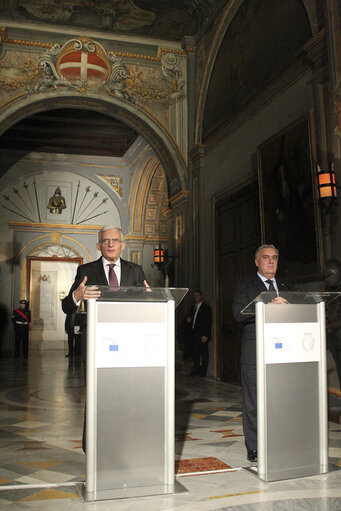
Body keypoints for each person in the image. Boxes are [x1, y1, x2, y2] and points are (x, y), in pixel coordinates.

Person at [61, 225, 149, 452]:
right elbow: (66, 307)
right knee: (97, 397)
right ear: (99, 245)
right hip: (97, 345)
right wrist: (76, 296)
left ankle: (123, 444)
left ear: (122, 245)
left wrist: (151, 299)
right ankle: (92, 447)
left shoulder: (136, 271)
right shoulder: (86, 270)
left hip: (129, 345)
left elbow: (145, 305)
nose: (111, 244)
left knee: (126, 396)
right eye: (106, 241)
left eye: (115, 240)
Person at [232, 244, 291, 463]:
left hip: (283, 350)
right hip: (254, 350)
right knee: (253, 401)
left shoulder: (287, 285)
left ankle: (280, 440)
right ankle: (254, 447)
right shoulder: (245, 286)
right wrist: (266, 305)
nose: (271, 262)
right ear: (257, 262)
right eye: (266, 258)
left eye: (275, 258)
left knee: (280, 397)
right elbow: (238, 313)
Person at [185, 290, 212, 377]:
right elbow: (191, 318)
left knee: (204, 354)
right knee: (195, 353)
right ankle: (196, 370)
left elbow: (208, 322)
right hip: (194, 333)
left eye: (197, 295)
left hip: (202, 334)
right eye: (194, 296)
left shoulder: (206, 308)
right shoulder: (192, 307)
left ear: (201, 297)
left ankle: (203, 372)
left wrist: (206, 334)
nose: (195, 297)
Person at [324, 258, 341, 390]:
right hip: (334, 340)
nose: (327, 278)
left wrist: (331, 327)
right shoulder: (328, 291)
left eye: (329, 275)